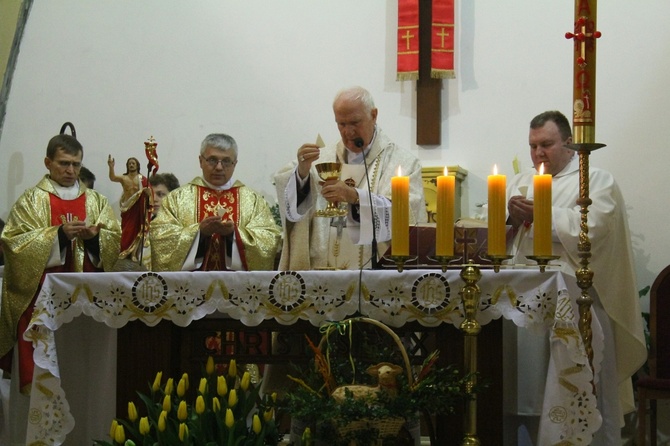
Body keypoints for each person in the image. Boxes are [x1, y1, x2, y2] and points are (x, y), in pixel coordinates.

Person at [504, 110, 646, 445]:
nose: (538, 153)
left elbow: (593, 229)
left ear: (569, 144)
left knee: (574, 389)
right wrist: (508, 216)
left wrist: (540, 214)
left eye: (547, 144)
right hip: (525, 303)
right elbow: (504, 239)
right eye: (533, 146)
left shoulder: (595, 180)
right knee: (525, 390)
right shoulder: (519, 183)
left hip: (577, 303)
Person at [0, 134, 121, 394]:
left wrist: (95, 239)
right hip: (41, 299)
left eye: (76, 164)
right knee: (45, 382)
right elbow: (13, 246)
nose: (71, 170)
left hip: (87, 301)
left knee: (83, 377)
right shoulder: (31, 200)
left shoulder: (96, 201)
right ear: (48, 162)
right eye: (64, 163)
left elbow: (115, 242)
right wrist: (57, 236)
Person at [274, 86, 427, 270]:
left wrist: (355, 197)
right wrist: (302, 175)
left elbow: (406, 218)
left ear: (374, 115)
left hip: (374, 275)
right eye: (341, 124)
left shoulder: (403, 164)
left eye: (355, 122)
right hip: (321, 274)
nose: (348, 132)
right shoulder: (321, 160)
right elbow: (293, 210)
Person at [150, 133, 280, 271]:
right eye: (212, 160)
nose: (219, 167)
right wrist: (199, 233)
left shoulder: (253, 200)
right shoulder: (177, 198)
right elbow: (161, 238)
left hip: (237, 288)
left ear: (235, 163)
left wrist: (233, 234)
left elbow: (268, 239)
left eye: (226, 161)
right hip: (191, 288)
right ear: (200, 161)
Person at [107, 155, 152, 265]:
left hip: (138, 208)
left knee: (137, 230)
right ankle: (124, 252)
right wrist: (111, 166)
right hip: (127, 208)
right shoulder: (124, 178)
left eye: (133, 163)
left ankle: (133, 254)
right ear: (127, 166)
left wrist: (148, 193)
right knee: (127, 231)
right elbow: (112, 178)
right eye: (129, 163)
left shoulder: (142, 179)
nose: (131, 165)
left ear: (137, 165)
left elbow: (150, 193)